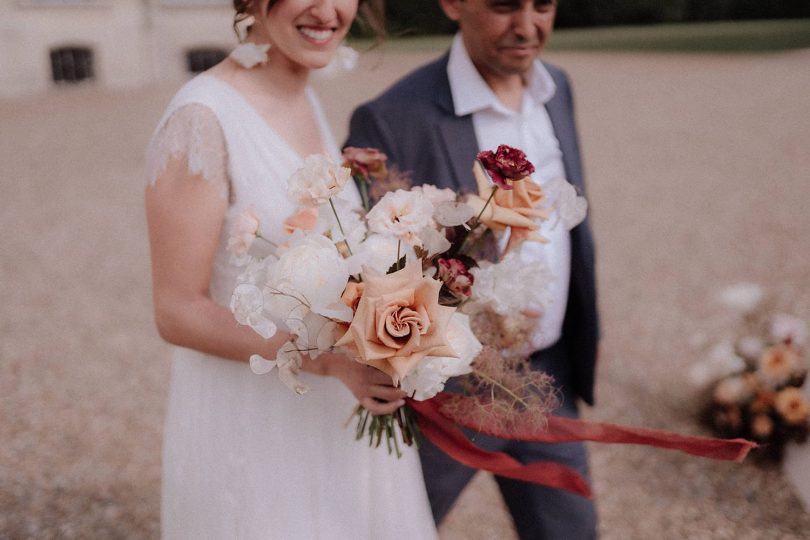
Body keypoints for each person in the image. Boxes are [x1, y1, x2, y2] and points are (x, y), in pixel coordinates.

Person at [144, 1, 437, 537]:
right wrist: (325, 362)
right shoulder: (202, 118)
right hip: (254, 426)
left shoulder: (302, 93)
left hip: (335, 414)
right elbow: (176, 310)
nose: (328, 11)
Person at [345, 0, 599, 537]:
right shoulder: (391, 118)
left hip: (546, 377)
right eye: (505, 5)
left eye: (544, 5)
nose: (528, 27)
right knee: (394, 529)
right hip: (444, 391)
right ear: (453, 4)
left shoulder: (558, 89)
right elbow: (367, 267)